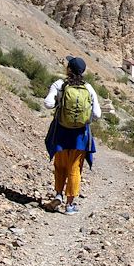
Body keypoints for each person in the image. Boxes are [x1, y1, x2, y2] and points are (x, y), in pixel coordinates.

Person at [43, 56, 101, 215]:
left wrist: (58, 102)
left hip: (61, 131)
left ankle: (58, 194)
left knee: (60, 165)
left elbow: (47, 104)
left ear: (69, 69)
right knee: (75, 168)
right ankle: (70, 205)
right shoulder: (88, 88)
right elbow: (97, 114)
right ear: (82, 72)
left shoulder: (60, 84)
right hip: (80, 136)